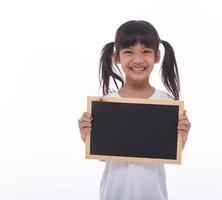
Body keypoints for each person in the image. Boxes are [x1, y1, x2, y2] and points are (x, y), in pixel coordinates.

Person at [78, 20, 191, 200]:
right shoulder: (107, 103)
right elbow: (103, 156)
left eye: (145, 51)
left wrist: (182, 137)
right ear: (116, 57)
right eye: (129, 52)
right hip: (114, 194)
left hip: (153, 194)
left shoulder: (167, 103)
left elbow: (169, 150)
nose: (138, 60)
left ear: (156, 56)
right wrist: (88, 136)